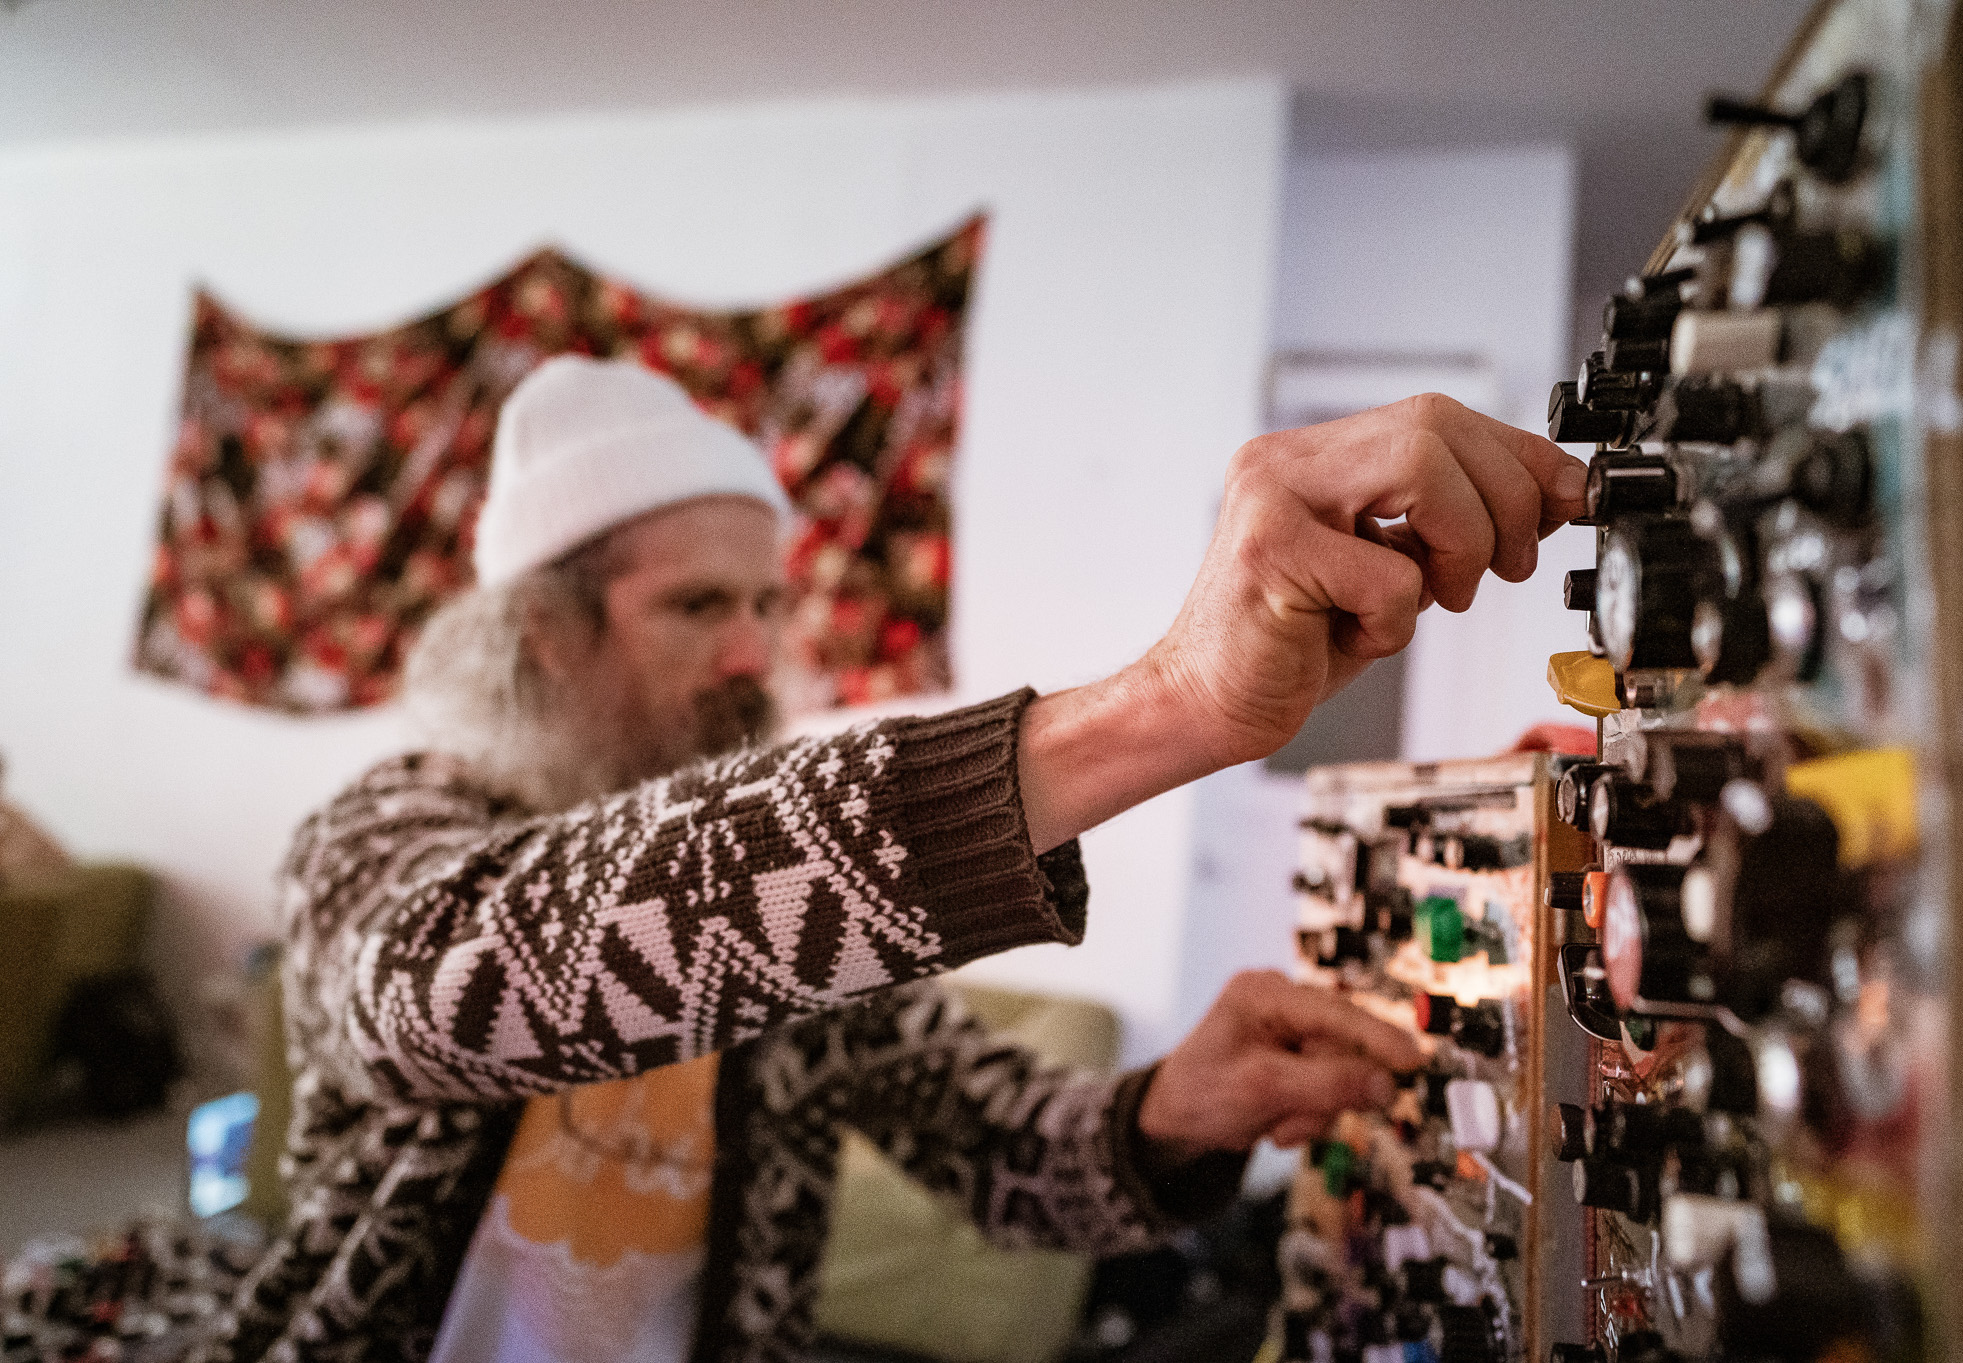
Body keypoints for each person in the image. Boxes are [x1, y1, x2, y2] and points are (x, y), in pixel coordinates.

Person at [197, 356, 1585, 1363]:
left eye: (765, 601)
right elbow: (484, 982)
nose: (755, 651)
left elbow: (1002, 1159)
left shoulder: (782, 899)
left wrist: (1174, 1110)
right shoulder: (381, 844)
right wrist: (1161, 709)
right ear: (541, 637)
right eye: (695, 605)